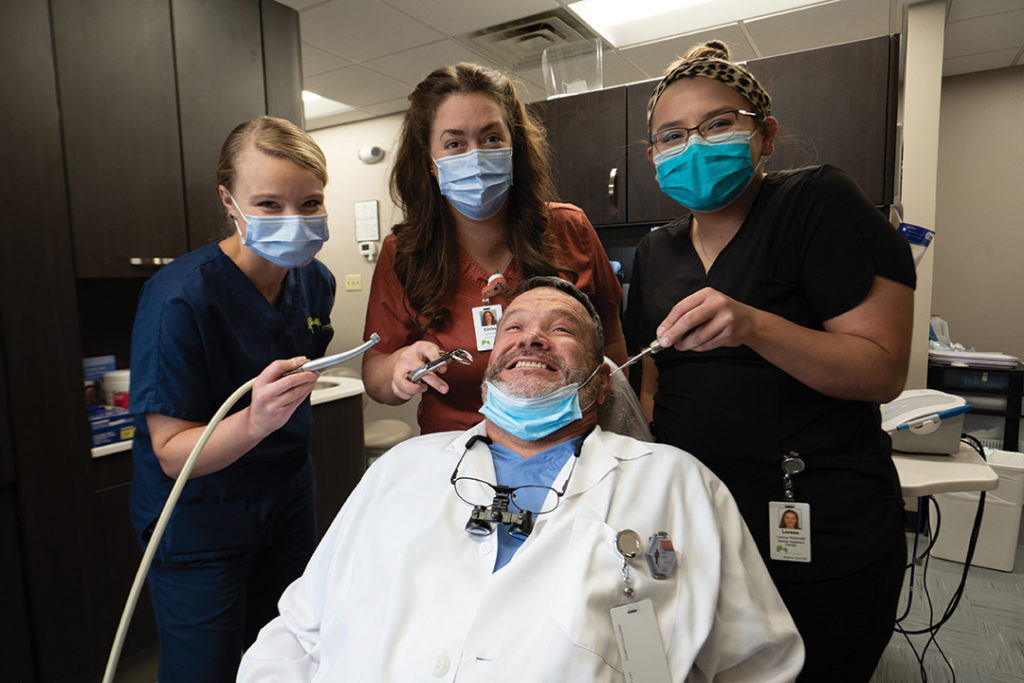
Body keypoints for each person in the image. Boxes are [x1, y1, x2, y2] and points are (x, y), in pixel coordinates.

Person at [239, 277, 804, 682]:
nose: (532, 338)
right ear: (487, 377)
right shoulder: (399, 470)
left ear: (602, 385)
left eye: (561, 331)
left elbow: (759, 664)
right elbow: (296, 632)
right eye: (514, 328)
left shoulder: (678, 486)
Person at [624, 40, 916, 681]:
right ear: (653, 157)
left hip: (815, 520)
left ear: (765, 135)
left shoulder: (816, 204)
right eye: (671, 136)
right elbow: (650, 379)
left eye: (718, 125)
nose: (694, 145)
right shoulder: (655, 253)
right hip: (696, 519)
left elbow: (882, 371)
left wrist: (754, 326)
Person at [128, 116, 336, 682]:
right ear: (229, 199)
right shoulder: (178, 297)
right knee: (209, 670)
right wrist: (257, 422)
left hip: (285, 502)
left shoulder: (314, 281)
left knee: (287, 656)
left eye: (310, 202)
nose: (294, 222)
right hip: (201, 521)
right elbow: (172, 451)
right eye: (268, 204)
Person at [362, 62, 626, 435]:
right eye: (454, 144)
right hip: (455, 457)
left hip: (569, 448)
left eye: (490, 139)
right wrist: (397, 371)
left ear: (513, 146)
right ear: (430, 163)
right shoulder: (403, 254)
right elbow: (375, 376)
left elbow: (612, 342)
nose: (476, 156)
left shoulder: (569, 228)